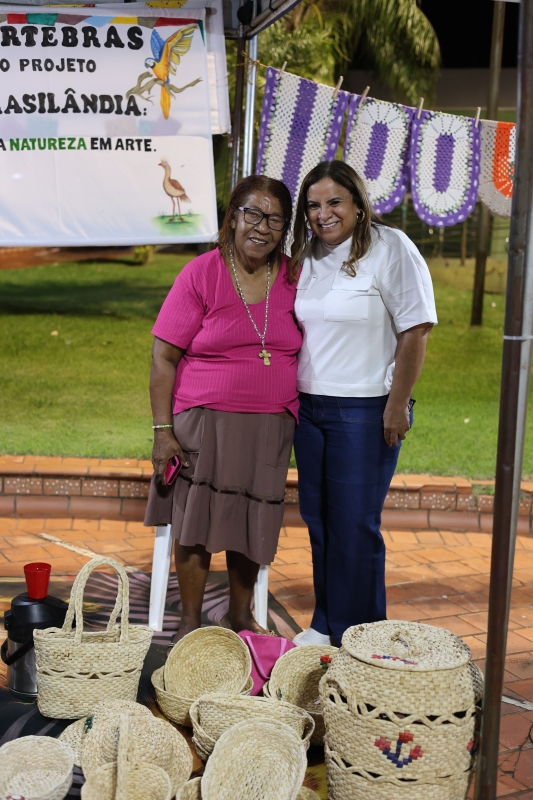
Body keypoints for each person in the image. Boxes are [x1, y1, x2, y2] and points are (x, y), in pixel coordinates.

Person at [144, 175, 302, 642]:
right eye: (252, 213)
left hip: (271, 425)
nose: (262, 227)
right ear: (232, 217)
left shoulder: (294, 276)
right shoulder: (202, 273)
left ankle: (240, 616)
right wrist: (162, 430)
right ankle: (190, 621)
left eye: (275, 219)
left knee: (253, 518)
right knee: (196, 521)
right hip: (204, 422)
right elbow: (163, 356)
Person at [289, 161, 437, 647]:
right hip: (309, 409)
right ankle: (326, 622)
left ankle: (362, 636)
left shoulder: (390, 246)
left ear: (357, 203)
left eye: (334, 201)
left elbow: (416, 329)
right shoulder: (307, 255)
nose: (323, 214)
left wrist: (397, 404)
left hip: (364, 411)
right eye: (313, 205)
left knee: (355, 524)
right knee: (320, 521)